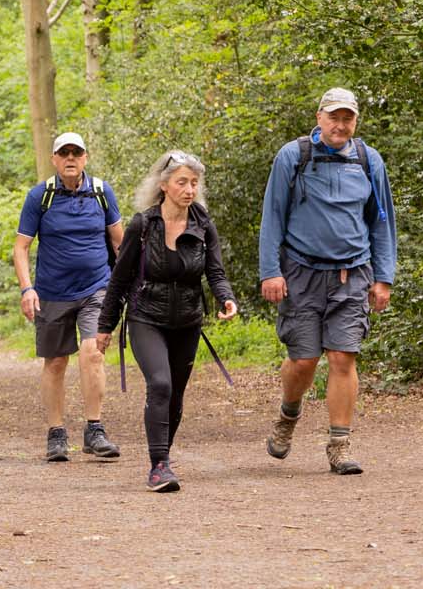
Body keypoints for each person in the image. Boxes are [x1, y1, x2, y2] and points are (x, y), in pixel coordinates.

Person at [258, 88, 396, 475]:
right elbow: (273, 216)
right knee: (304, 360)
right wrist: (271, 270)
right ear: (319, 117)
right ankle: (288, 416)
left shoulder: (368, 160)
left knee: (342, 356)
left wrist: (383, 278)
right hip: (301, 271)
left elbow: (381, 223)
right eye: (333, 117)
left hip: (352, 273)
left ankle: (339, 444)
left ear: (355, 121)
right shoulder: (293, 156)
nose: (340, 125)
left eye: (347, 118)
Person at [97, 150, 238, 492]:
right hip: (146, 317)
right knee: (159, 384)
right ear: (163, 185)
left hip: (188, 320)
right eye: (182, 182)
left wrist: (226, 298)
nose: (189, 189)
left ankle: (164, 456)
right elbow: (119, 278)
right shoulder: (142, 225)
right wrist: (105, 326)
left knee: (175, 395)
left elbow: (215, 272)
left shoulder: (203, 225)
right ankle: (159, 465)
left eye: (194, 183)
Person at [13, 131, 124, 462]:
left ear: (86, 157)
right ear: (54, 160)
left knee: (92, 353)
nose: (71, 158)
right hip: (52, 291)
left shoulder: (102, 193)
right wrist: (26, 288)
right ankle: (56, 432)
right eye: (65, 153)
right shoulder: (40, 197)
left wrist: (128, 286)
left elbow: (120, 244)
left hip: (97, 287)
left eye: (77, 152)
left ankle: (94, 429)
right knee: (57, 361)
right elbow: (21, 248)